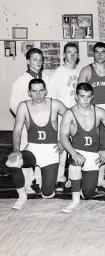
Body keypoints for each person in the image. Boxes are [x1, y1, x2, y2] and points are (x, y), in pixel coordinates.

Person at [6, 78, 67, 210]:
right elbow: (17, 129)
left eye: (41, 91)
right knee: (13, 161)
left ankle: (47, 185)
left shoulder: (55, 104)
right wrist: (16, 149)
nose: (38, 95)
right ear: (29, 92)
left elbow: (72, 120)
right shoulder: (23, 106)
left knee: (47, 194)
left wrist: (63, 140)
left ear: (46, 91)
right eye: (34, 91)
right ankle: (22, 196)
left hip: (51, 152)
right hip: (33, 149)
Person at [60, 83, 105, 214]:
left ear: (92, 97)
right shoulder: (69, 113)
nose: (85, 100)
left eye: (88, 96)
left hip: (93, 155)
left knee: (88, 194)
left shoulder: (99, 112)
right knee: (75, 163)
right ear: (76, 97)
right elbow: (63, 136)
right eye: (82, 96)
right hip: (77, 152)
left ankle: (79, 186)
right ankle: (75, 198)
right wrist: (74, 153)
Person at [9, 48, 49, 194]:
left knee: (42, 150)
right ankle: (26, 182)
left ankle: (40, 179)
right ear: (28, 61)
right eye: (34, 59)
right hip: (26, 123)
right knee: (26, 150)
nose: (38, 62)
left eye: (40, 59)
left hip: (43, 122)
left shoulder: (46, 78)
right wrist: (24, 117)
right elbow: (13, 103)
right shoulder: (20, 81)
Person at [78, 42, 105, 188]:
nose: (100, 54)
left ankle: (100, 176)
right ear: (93, 53)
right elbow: (79, 91)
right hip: (89, 108)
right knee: (85, 140)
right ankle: (77, 174)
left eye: (103, 52)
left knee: (104, 142)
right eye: (97, 52)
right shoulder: (86, 70)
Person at [48, 42, 81, 192]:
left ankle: (74, 177)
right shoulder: (57, 74)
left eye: (75, 52)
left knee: (77, 146)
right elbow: (51, 100)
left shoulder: (82, 72)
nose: (72, 55)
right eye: (69, 52)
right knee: (61, 148)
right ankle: (59, 177)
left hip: (78, 115)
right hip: (62, 115)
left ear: (78, 55)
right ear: (64, 55)